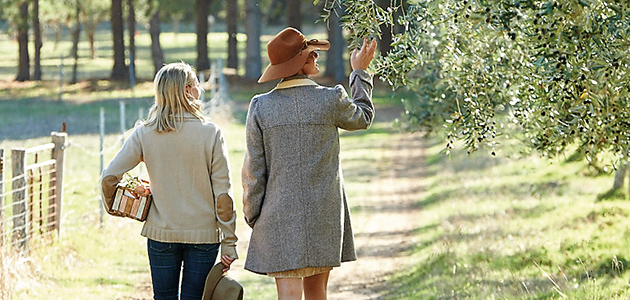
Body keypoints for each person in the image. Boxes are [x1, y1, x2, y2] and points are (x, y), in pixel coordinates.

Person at [242, 27, 377, 300]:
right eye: (310, 53)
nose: (316, 56)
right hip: (323, 216)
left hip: (278, 215)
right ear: (300, 63)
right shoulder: (331, 99)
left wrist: (253, 214)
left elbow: (254, 171)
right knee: (318, 294)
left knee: (288, 296)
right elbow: (362, 117)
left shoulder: (260, 107)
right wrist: (360, 73)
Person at [101, 62, 238, 300]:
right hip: (204, 236)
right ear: (187, 90)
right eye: (196, 85)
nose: (200, 90)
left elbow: (109, 177)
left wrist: (118, 206)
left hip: (161, 234)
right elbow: (223, 195)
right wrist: (229, 242)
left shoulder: (144, 132)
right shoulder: (211, 133)